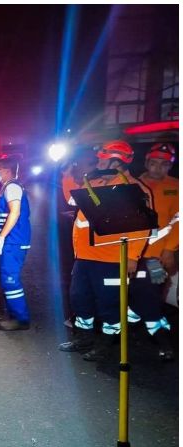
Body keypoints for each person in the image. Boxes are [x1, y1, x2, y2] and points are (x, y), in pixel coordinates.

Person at [58, 140, 153, 360]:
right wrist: (66, 175)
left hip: (112, 258)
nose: (98, 162)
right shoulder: (95, 181)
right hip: (84, 256)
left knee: (109, 303)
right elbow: (73, 199)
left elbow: (142, 226)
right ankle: (84, 337)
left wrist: (132, 257)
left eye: (103, 158)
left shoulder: (133, 188)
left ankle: (107, 345)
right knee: (79, 298)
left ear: (117, 161)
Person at [133, 143, 178, 360]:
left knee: (151, 294)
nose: (158, 168)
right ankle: (133, 329)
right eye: (154, 163)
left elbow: (178, 223)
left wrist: (169, 250)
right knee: (131, 292)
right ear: (146, 162)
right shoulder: (134, 184)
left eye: (164, 164)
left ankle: (163, 340)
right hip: (132, 253)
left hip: (156, 257)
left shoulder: (176, 187)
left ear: (170, 166)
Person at [0, 156, 32, 331]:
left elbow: (15, 213)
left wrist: (1, 238)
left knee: (10, 279)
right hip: (11, 240)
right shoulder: (8, 187)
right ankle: (12, 315)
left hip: (13, 241)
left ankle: (21, 319)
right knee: (6, 278)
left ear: (7, 171)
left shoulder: (12, 187)